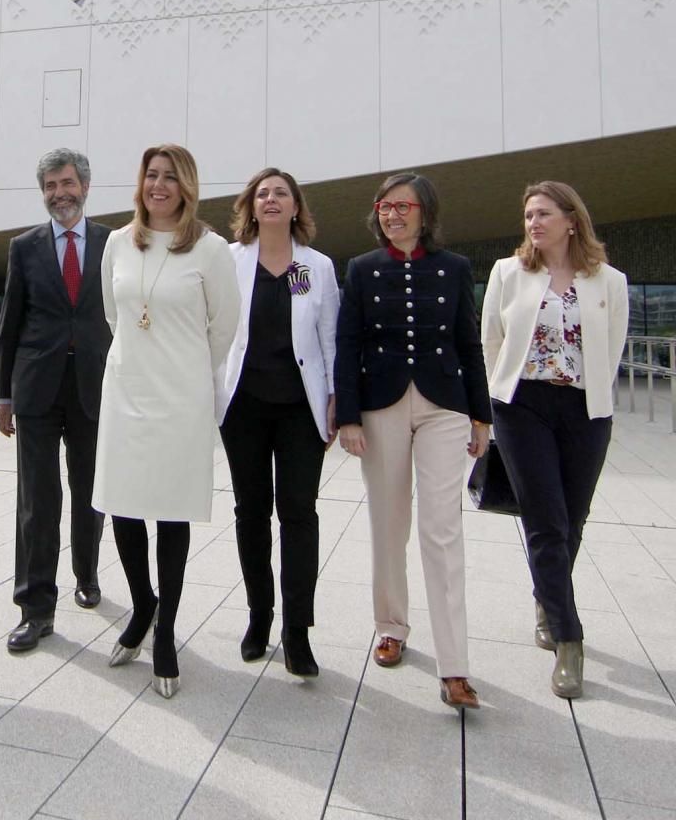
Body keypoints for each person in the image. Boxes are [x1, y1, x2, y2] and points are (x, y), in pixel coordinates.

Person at [334, 173, 492, 711]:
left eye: (403, 205)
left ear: (425, 212)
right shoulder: (360, 269)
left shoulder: (455, 268)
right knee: (388, 521)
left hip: (444, 405)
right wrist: (349, 417)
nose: (392, 214)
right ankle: (391, 626)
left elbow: (469, 345)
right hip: (381, 406)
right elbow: (347, 344)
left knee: (441, 528)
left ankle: (455, 667)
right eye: (384, 206)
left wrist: (481, 416)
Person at [93, 144, 239, 698]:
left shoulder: (211, 249)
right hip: (127, 389)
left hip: (181, 398)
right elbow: (115, 315)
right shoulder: (116, 244)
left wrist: (187, 374)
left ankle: (167, 632)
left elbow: (223, 328)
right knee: (125, 507)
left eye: (170, 177)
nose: (159, 185)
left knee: (171, 515)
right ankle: (142, 606)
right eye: (151, 175)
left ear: (187, 186)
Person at [481, 181, 628, 700]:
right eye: (527, 216)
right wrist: (493, 406)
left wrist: (593, 405)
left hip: (585, 411)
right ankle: (570, 641)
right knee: (545, 523)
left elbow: (611, 350)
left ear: (572, 219)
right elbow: (492, 341)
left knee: (572, 521)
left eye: (543, 214)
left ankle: (548, 600)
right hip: (523, 407)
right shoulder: (508, 272)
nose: (533, 223)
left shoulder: (610, 281)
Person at [214, 168, 339, 674]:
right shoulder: (229, 260)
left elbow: (329, 335)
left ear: (294, 207)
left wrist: (335, 399)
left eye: (280, 193)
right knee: (250, 513)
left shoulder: (315, 266)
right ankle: (258, 616)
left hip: (298, 410)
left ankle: (297, 630)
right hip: (242, 407)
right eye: (262, 193)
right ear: (250, 205)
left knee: (299, 514)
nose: (271, 200)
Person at [0, 148, 111, 653]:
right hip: (37, 389)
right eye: (50, 186)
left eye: (66, 183)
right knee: (37, 501)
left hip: (96, 387)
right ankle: (35, 606)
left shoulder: (114, 244)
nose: (59, 193)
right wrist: (3, 395)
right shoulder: (25, 247)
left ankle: (87, 574)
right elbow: (10, 322)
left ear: (85, 186)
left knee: (92, 491)